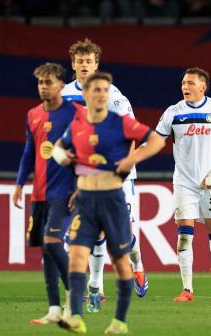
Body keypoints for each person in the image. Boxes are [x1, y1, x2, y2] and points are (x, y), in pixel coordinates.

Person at [53, 72, 165, 334]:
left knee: (120, 257)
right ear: (86, 95)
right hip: (85, 196)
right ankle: (77, 316)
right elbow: (58, 148)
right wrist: (67, 164)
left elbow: (156, 140)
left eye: (105, 90)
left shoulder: (120, 122)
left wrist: (129, 161)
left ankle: (120, 320)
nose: (101, 95)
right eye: (96, 91)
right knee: (78, 252)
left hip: (113, 196)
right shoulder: (77, 125)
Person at [61, 38, 148, 308]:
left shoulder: (113, 95)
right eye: (80, 61)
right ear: (73, 64)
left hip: (118, 174)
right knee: (94, 231)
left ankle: (138, 265)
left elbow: (133, 133)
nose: (84, 65)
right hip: (84, 173)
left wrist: (123, 165)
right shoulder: (63, 95)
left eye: (89, 61)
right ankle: (95, 288)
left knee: (121, 237)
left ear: (96, 64)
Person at [155, 67, 211, 302]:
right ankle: (187, 289)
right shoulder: (173, 112)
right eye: (183, 83)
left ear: (203, 86)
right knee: (184, 236)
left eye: (190, 83)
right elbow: (156, 141)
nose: (185, 87)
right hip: (184, 182)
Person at [14, 63, 80, 325]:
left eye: (48, 82)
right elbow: (29, 152)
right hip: (39, 192)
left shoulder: (76, 113)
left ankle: (75, 294)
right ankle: (54, 309)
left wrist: (79, 185)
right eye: (40, 82)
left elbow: (85, 151)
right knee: (45, 249)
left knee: (53, 242)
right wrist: (20, 183)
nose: (43, 87)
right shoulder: (32, 115)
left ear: (61, 85)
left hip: (64, 190)